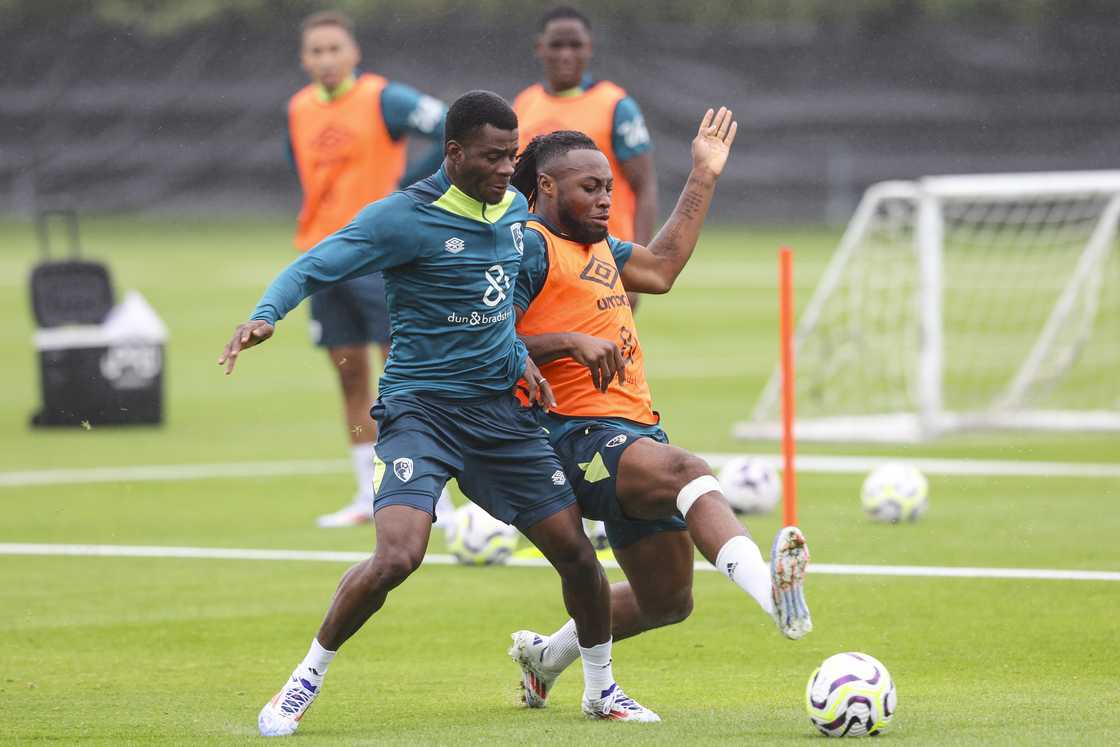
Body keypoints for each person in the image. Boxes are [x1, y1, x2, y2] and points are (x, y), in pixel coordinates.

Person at [219, 91, 658, 736]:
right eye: (492, 156)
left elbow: (507, 305)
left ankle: (601, 689)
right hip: (420, 414)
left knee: (577, 556)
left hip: (500, 420)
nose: (508, 169)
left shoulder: (516, 211)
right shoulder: (401, 219)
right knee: (398, 556)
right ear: (453, 153)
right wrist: (265, 315)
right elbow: (316, 264)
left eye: (513, 155)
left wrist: (524, 355)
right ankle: (304, 679)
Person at [505, 110, 813, 709]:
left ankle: (546, 658)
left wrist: (703, 174)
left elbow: (663, 268)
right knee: (685, 471)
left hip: (632, 426)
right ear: (545, 187)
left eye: (608, 190)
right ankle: (774, 596)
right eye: (588, 188)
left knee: (667, 601)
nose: (603, 200)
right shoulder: (527, 247)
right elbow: (489, 342)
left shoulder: (599, 247)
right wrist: (567, 342)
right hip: (569, 433)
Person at [286, 10, 454, 527]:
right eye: (316, 50)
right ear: (304, 58)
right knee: (349, 376)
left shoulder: (383, 98)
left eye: (335, 48)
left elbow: (450, 123)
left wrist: (409, 187)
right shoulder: (299, 109)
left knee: (401, 374)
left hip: (378, 257)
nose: (326, 59)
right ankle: (367, 494)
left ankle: (435, 498)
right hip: (324, 257)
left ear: (354, 53)